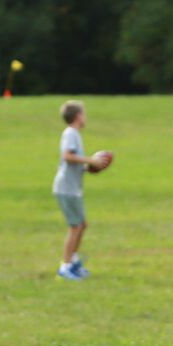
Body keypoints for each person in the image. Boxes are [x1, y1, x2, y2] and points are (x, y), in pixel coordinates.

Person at [53, 100, 109, 281]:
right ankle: (65, 267)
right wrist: (90, 161)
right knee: (75, 226)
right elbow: (67, 156)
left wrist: (88, 168)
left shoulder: (74, 134)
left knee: (82, 224)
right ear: (78, 116)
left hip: (72, 188)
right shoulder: (70, 133)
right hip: (66, 189)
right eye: (83, 114)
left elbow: (72, 162)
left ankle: (74, 262)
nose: (85, 117)